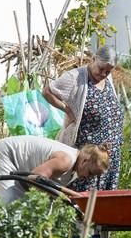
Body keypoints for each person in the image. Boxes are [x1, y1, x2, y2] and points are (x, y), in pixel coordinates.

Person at [42, 45, 123, 192]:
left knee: (105, 202)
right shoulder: (75, 78)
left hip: (109, 155)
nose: (104, 73)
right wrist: (67, 110)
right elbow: (47, 91)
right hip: (88, 157)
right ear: (93, 59)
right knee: (83, 198)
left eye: (108, 71)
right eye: (101, 68)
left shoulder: (107, 78)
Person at [0, 135, 110, 204]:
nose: (89, 178)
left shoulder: (73, 167)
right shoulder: (66, 161)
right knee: (8, 204)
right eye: (91, 173)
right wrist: (61, 197)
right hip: (7, 154)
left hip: (21, 164)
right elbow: (34, 179)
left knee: (23, 208)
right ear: (85, 161)